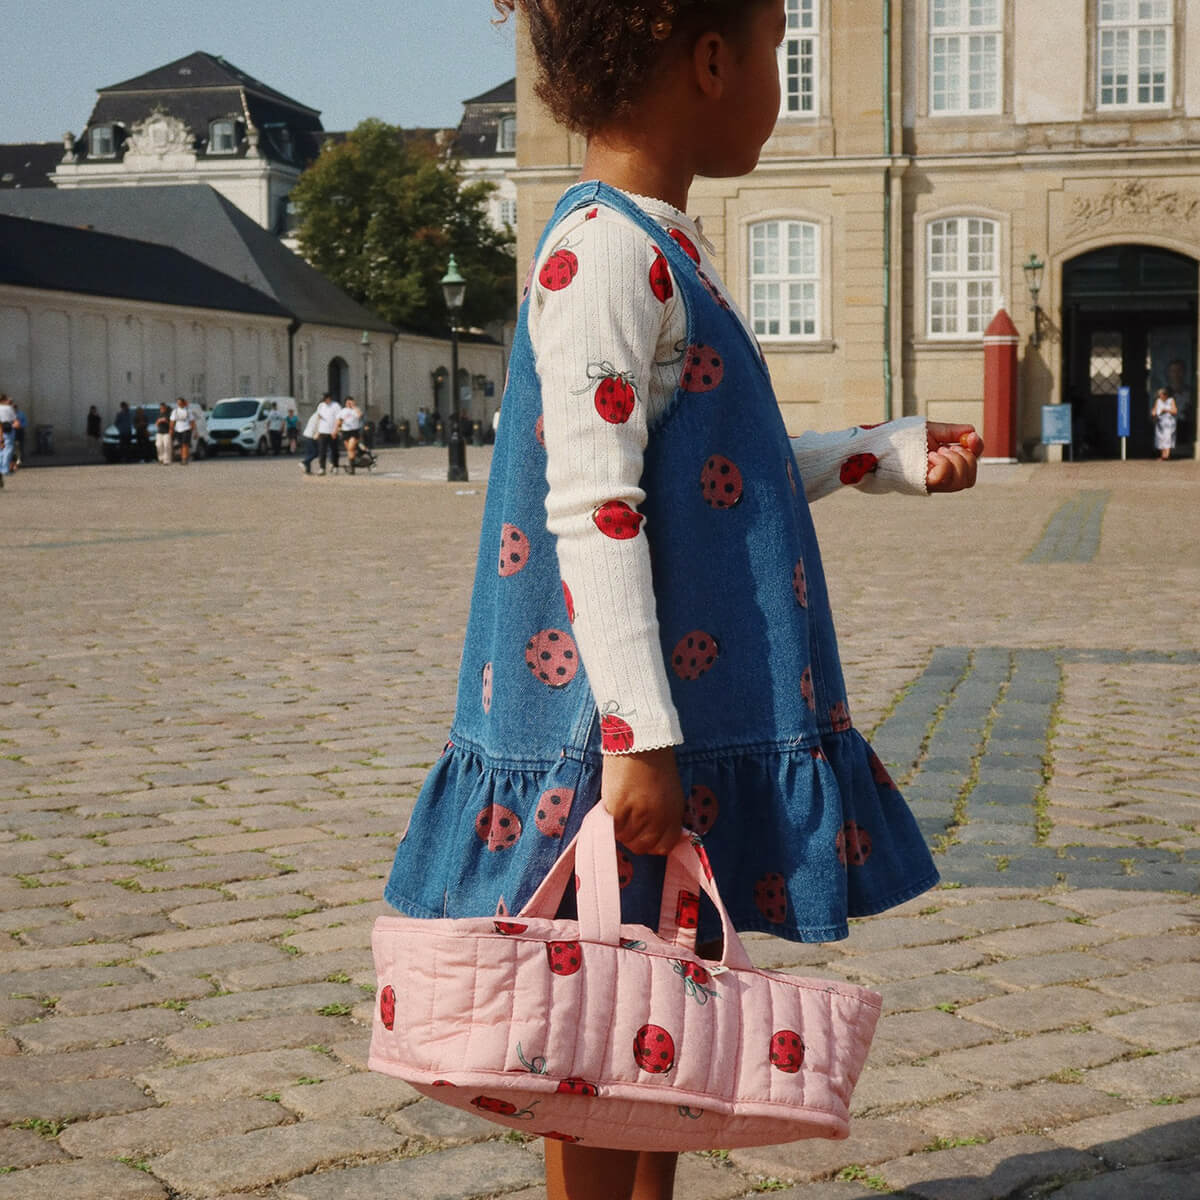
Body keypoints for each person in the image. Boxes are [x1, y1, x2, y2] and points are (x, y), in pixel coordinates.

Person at [382, 6, 983, 1199]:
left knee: (647, 1010)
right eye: (776, 48)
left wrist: (877, 453)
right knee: (590, 1020)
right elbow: (593, 508)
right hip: (610, 735)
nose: (780, 78)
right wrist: (639, 739)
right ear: (712, 63)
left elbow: (714, 472)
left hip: (658, 722)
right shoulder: (607, 255)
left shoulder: (652, 245)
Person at [315, 392, 341, 475]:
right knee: (322, 450)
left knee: (334, 450)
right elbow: (319, 418)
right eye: (323, 400)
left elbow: (339, 419)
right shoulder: (321, 405)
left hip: (332, 432)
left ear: (329, 398)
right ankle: (322, 468)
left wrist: (335, 431)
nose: (325, 401)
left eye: (326, 399)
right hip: (322, 431)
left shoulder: (336, 406)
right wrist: (317, 431)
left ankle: (335, 466)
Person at [337, 396, 363, 474]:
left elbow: (360, 415)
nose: (349, 403)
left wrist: (354, 406)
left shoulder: (355, 410)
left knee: (351, 448)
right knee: (349, 450)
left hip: (354, 431)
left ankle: (352, 465)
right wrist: (338, 428)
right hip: (345, 431)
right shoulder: (342, 411)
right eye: (347, 402)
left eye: (350, 402)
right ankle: (352, 466)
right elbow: (339, 420)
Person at [1151, 387, 1178, 461]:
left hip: (1168, 423)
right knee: (1160, 438)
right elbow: (1154, 410)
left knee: (1167, 437)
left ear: (1165, 395)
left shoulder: (1171, 400)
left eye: (1161, 395)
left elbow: (1175, 411)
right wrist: (1153, 413)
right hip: (1160, 422)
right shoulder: (1158, 401)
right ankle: (1163, 455)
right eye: (1159, 395)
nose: (1160, 396)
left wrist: (1166, 410)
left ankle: (1167, 455)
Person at [169, 396, 196, 465]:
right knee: (180, 445)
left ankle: (184, 458)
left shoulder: (188, 411)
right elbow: (172, 421)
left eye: (180, 402)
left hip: (186, 429)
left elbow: (192, 421)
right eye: (178, 403)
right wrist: (171, 430)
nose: (179, 404)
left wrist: (195, 431)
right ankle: (182, 457)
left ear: (183, 403)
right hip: (178, 429)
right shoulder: (175, 411)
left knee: (185, 444)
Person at [299, 408, 321, 474]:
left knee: (309, 453)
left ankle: (307, 470)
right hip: (311, 436)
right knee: (315, 453)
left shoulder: (314, 415)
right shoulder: (318, 417)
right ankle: (304, 462)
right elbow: (319, 427)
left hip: (307, 435)